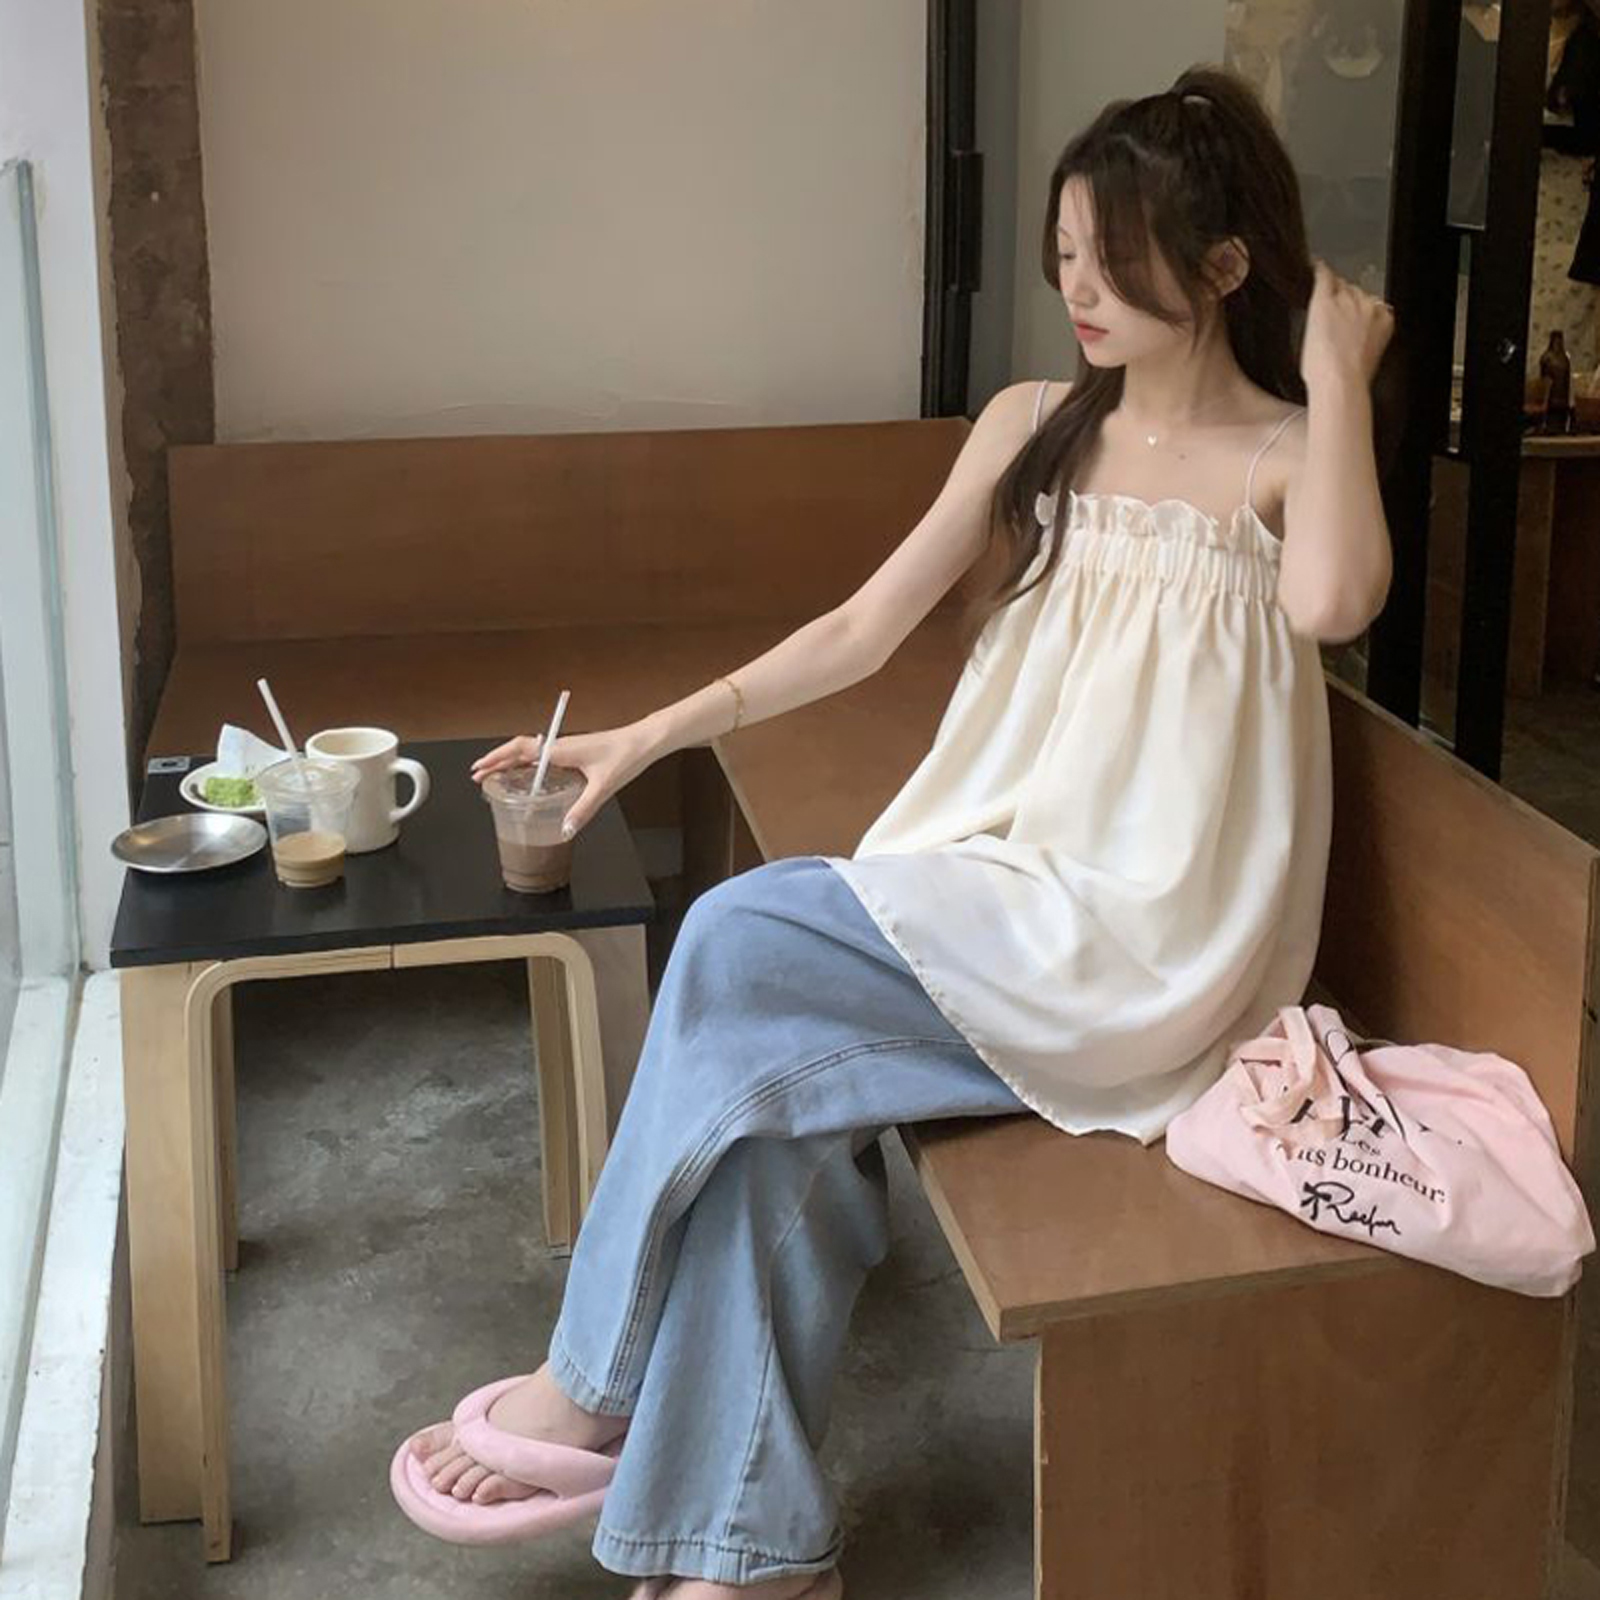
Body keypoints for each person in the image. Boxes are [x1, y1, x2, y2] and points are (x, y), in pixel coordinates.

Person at [392, 63, 1394, 1600]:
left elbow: (1332, 602)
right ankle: (755, 1554)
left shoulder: (1282, 459)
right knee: (765, 1126)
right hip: (992, 883)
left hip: (1141, 940)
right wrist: (645, 735)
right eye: (1064, 252)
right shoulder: (1034, 424)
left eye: (1112, 258)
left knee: (733, 933)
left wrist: (1338, 372)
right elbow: (862, 630)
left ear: (1222, 267)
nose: (1075, 289)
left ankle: (591, 1382)